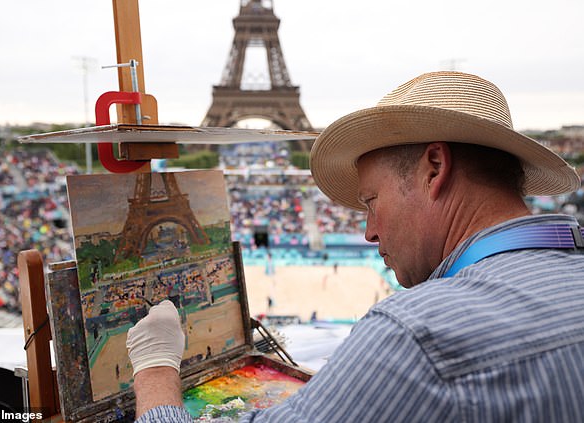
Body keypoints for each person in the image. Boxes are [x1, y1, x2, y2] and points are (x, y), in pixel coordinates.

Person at [126, 71, 584, 422]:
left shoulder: (414, 335)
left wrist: (154, 370)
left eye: (371, 200)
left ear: (434, 168)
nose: (368, 231)